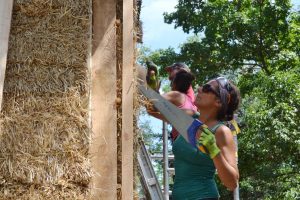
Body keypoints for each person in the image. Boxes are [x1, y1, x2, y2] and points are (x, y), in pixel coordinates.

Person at [172, 77, 240, 200]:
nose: (199, 89)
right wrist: (151, 89)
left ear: (219, 101)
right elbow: (154, 108)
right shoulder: (189, 119)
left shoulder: (221, 132)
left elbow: (232, 183)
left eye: (207, 88)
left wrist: (214, 151)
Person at [147, 70, 198, 135]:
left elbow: (152, 105)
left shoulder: (176, 95)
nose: (170, 85)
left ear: (175, 83)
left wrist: (153, 90)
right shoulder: (191, 103)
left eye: (172, 81)